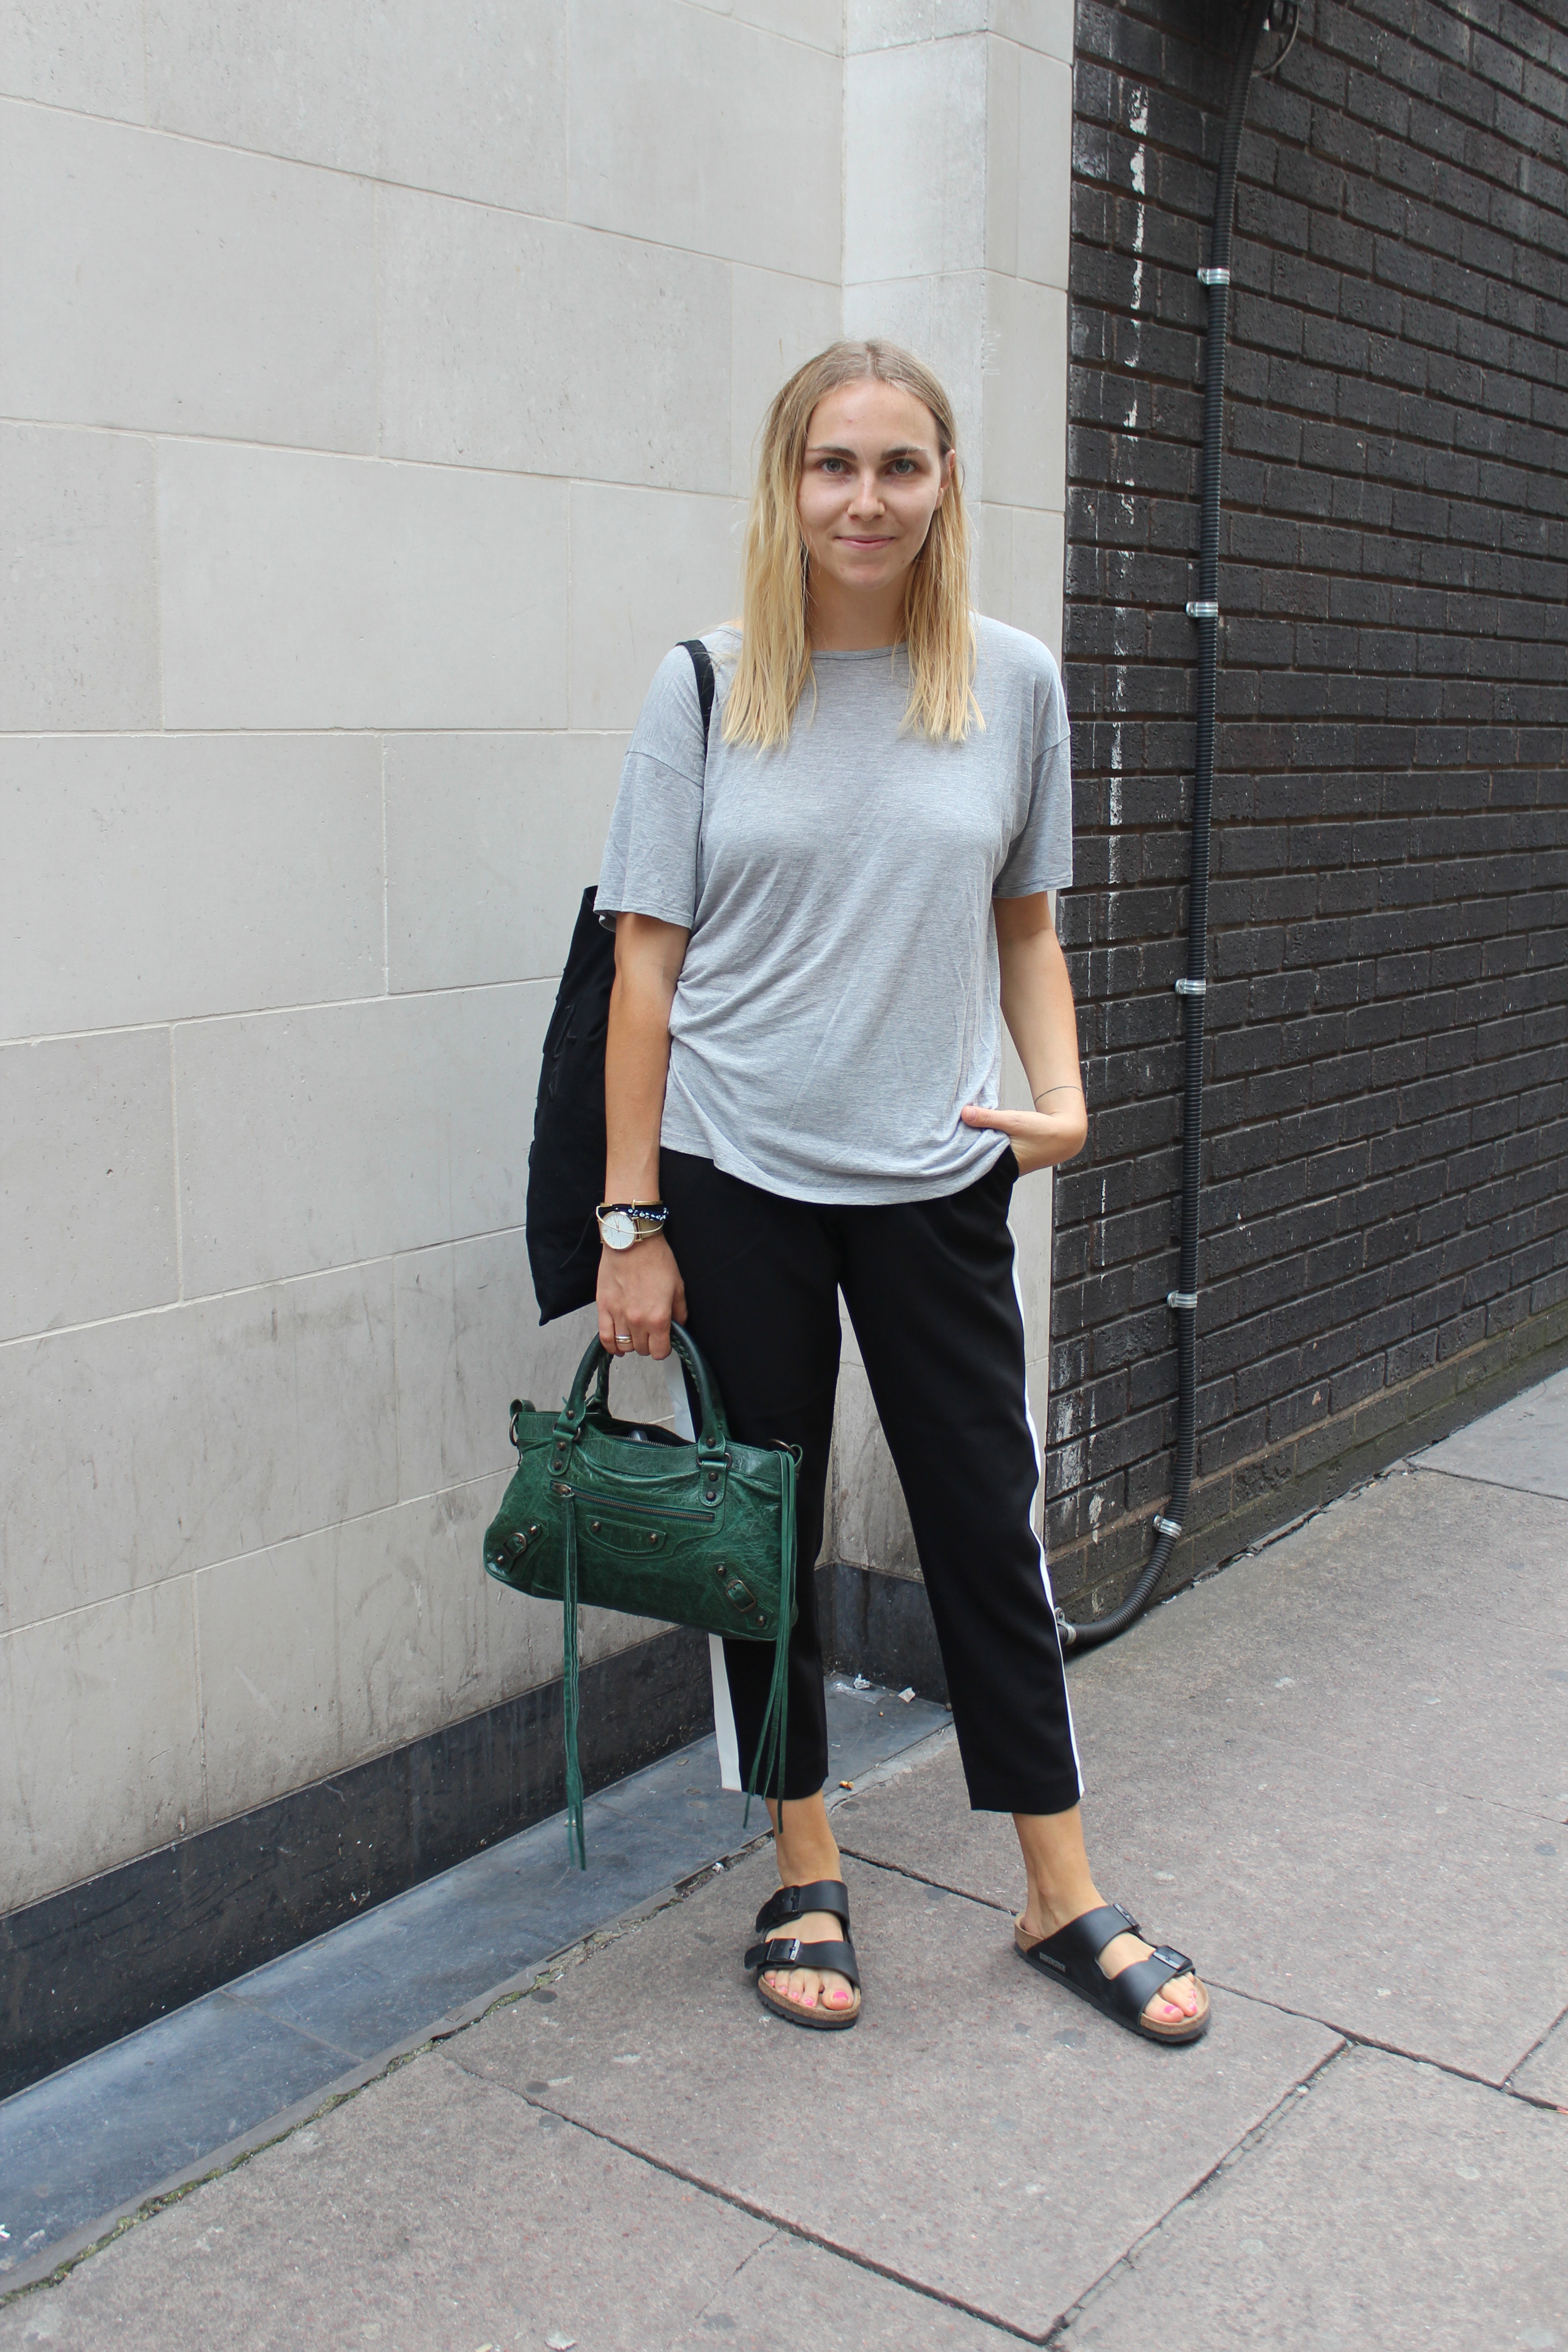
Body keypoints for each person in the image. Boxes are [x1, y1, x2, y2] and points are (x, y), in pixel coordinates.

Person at [591, 339, 1208, 2045]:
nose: (865, 500)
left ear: (944, 486)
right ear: (787, 482)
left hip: (937, 1170)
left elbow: (1028, 925)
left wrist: (1064, 1099)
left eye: (900, 466)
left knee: (985, 1526)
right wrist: (632, 1223)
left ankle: (1059, 1888)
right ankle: (803, 1862)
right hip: (734, 1175)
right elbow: (645, 972)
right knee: (763, 1536)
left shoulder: (1011, 682)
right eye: (834, 465)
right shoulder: (706, 687)